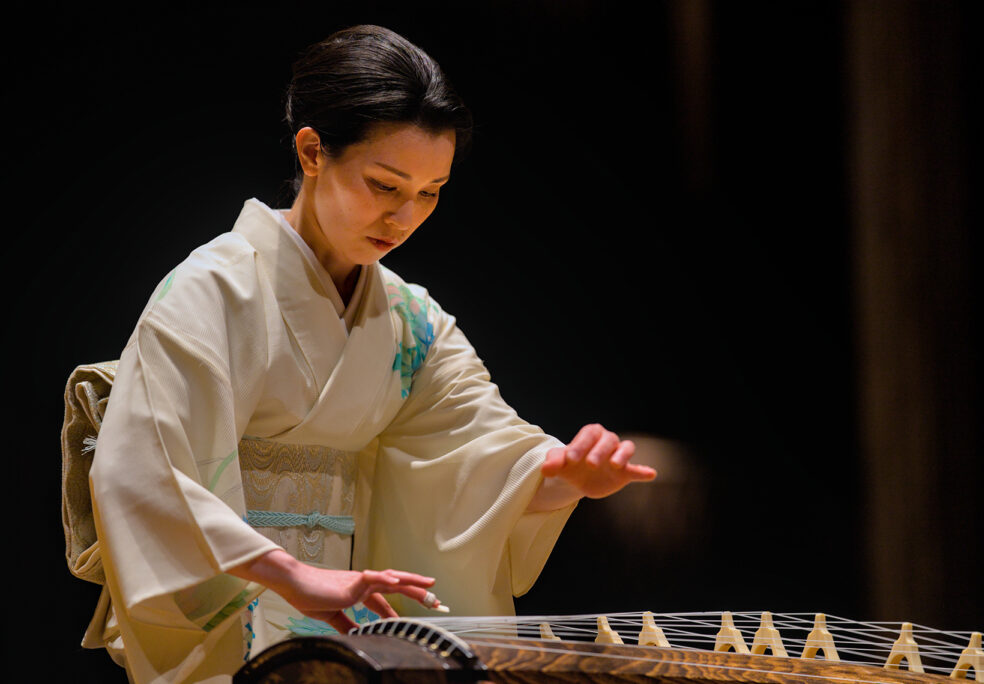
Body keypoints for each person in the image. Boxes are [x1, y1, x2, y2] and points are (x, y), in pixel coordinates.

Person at [81, 24, 657, 683]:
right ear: (312, 151)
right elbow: (144, 470)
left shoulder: (413, 323)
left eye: (430, 193)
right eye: (385, 186)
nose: (405, 217)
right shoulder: (213, 291)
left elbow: (481, 450)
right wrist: (292, 575)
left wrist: (565, 476)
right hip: (241, 609)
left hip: (353, 626)